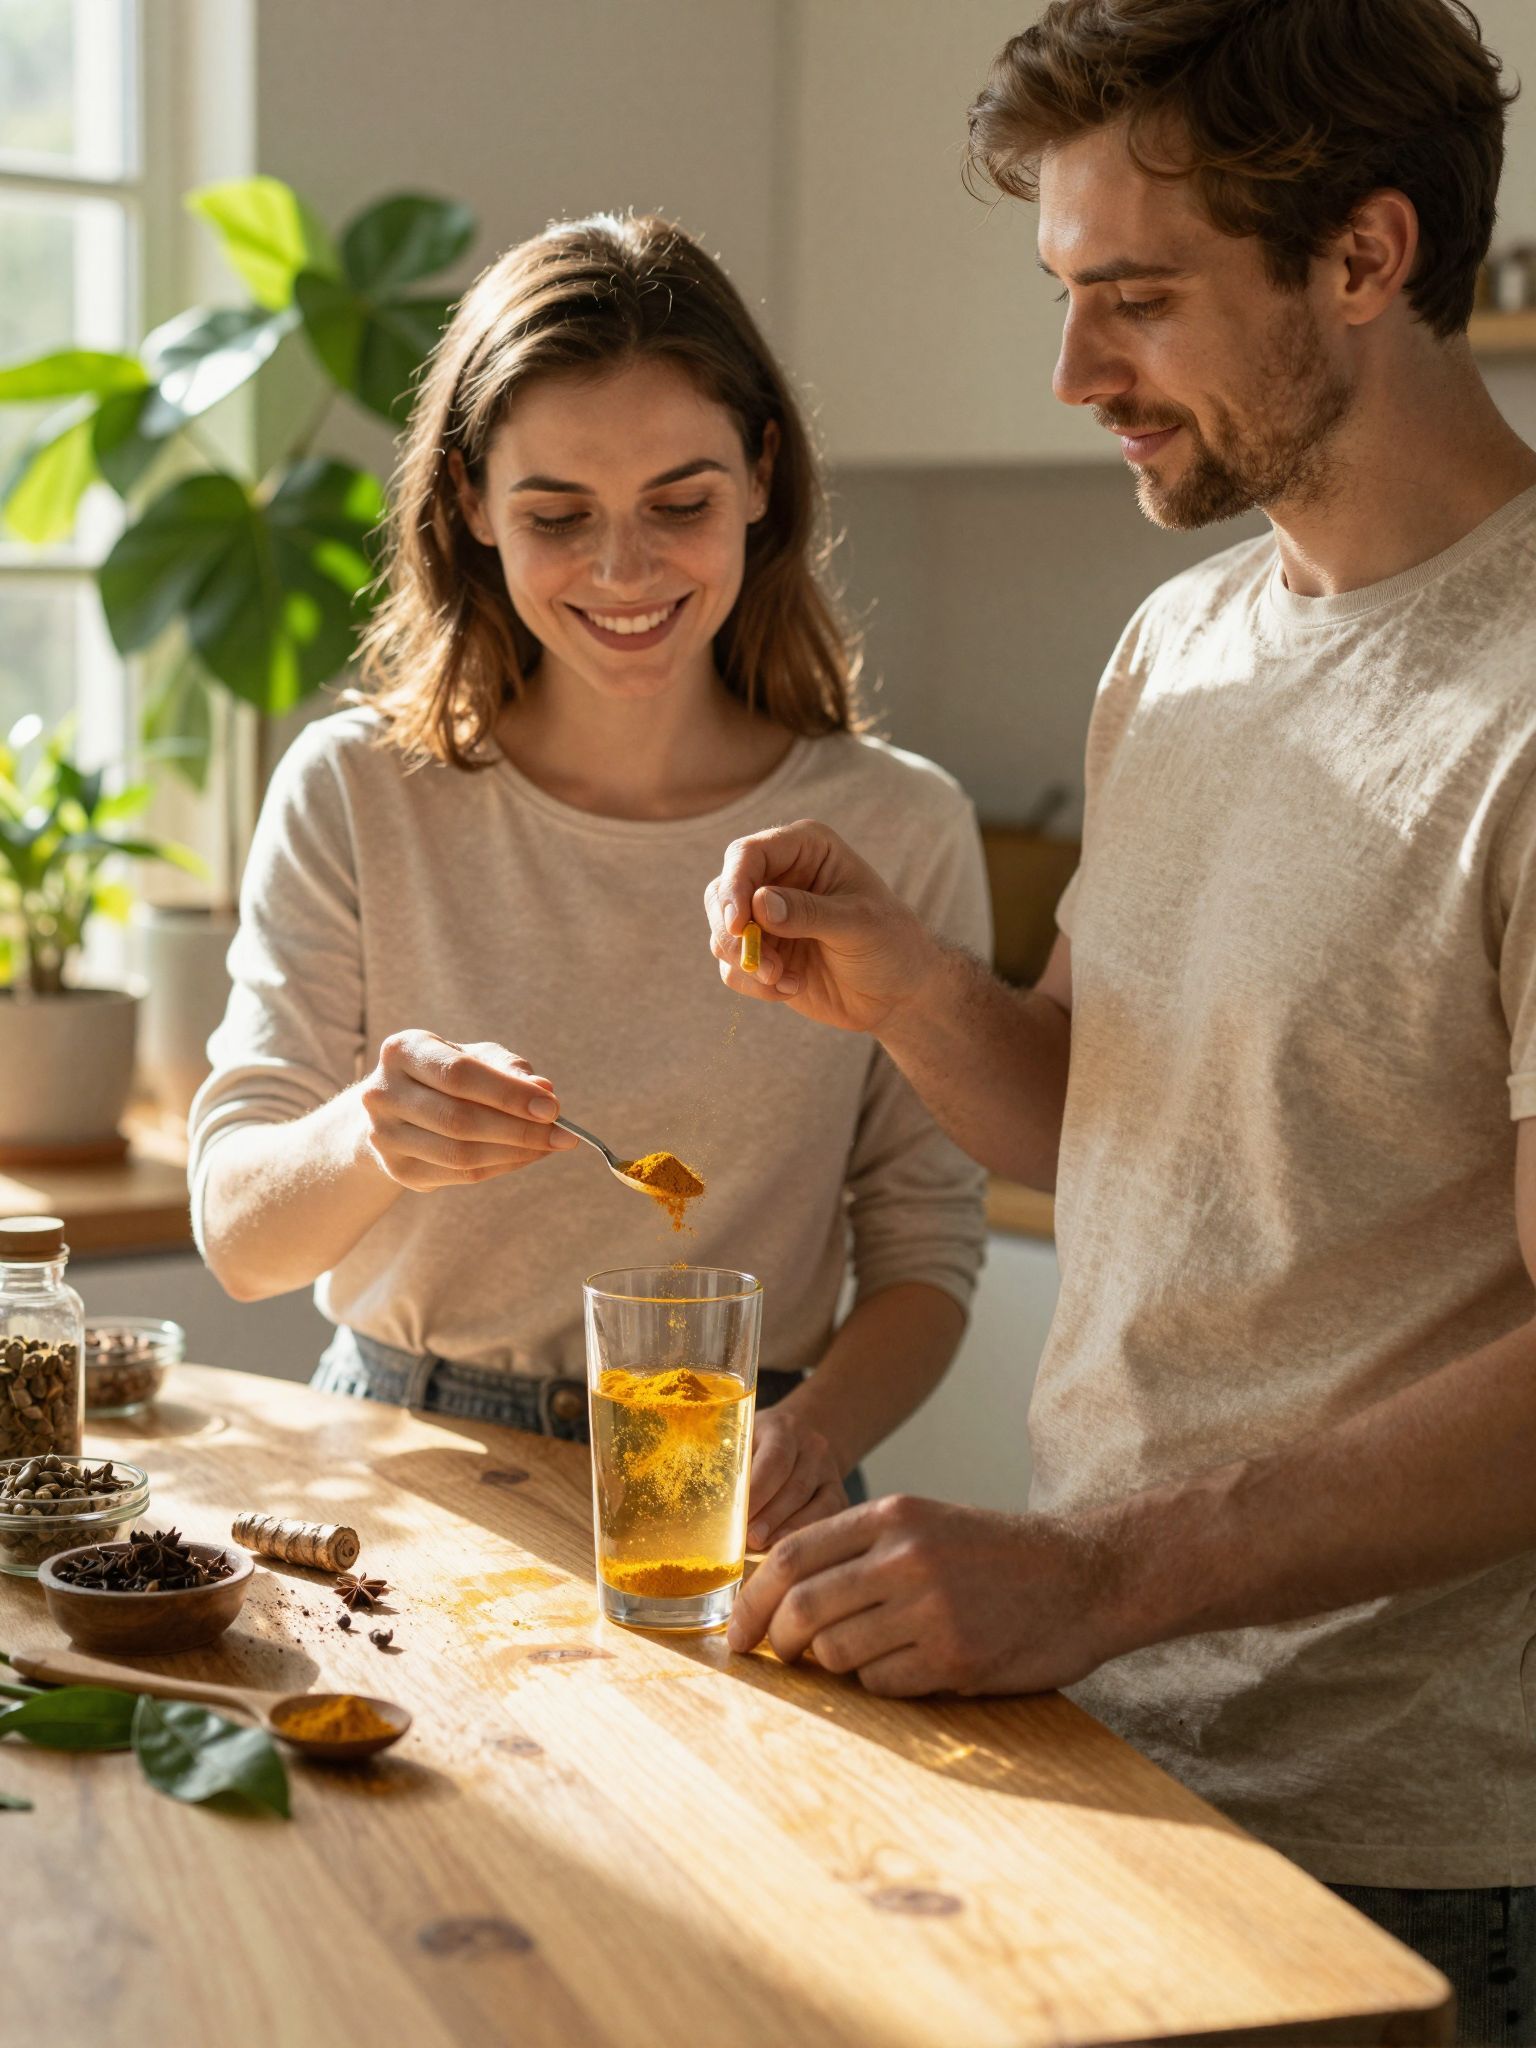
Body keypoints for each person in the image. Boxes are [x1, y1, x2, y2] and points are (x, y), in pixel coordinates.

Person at [707, 2, 1536, 2036]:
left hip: (1416, 1839)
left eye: (1139, 302)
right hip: (1107, 1737)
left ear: (1367, 256)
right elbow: (1103, 1115)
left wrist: (1099, 1569)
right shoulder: (1180, 644)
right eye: (1071, 296)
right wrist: (910, 985)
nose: (1079, 374)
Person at [189, 212, 989, 1554]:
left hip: (736, 1465)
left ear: (760, 478)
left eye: (679, 504)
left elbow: (926, 1251)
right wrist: (372, 1134)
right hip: (410, 1457)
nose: (624, 571)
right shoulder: (355, 792)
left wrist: (813, 1435)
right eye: (558, 515)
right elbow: (240, 1237)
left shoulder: (894, 830)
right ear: (470, 506)